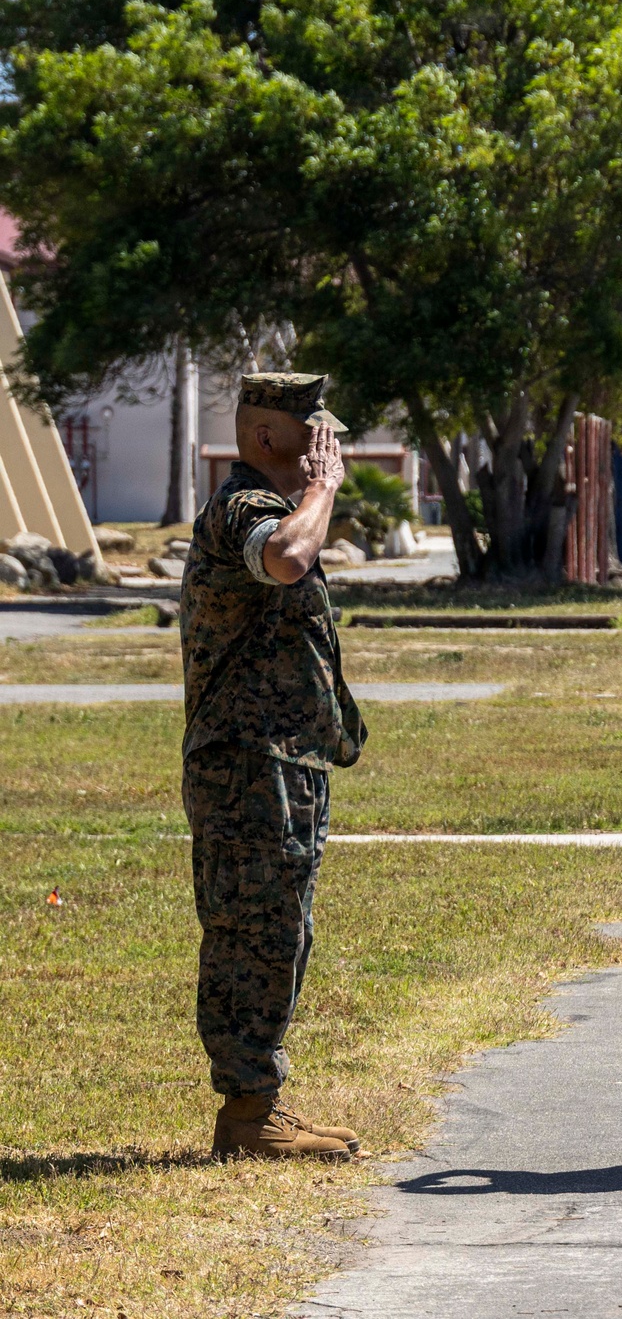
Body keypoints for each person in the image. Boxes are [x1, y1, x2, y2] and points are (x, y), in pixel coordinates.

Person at [180, 372, 368, 1161]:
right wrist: (322, 490)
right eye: (314, 432)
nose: (330, 446)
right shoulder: (243, 511)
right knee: (253, 932)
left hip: (281, 764)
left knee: (282, 928)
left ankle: (260, 1104)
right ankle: (248, 1111)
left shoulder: (273, 505)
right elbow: (288, 559)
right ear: (265, 439)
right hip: (245, 770)